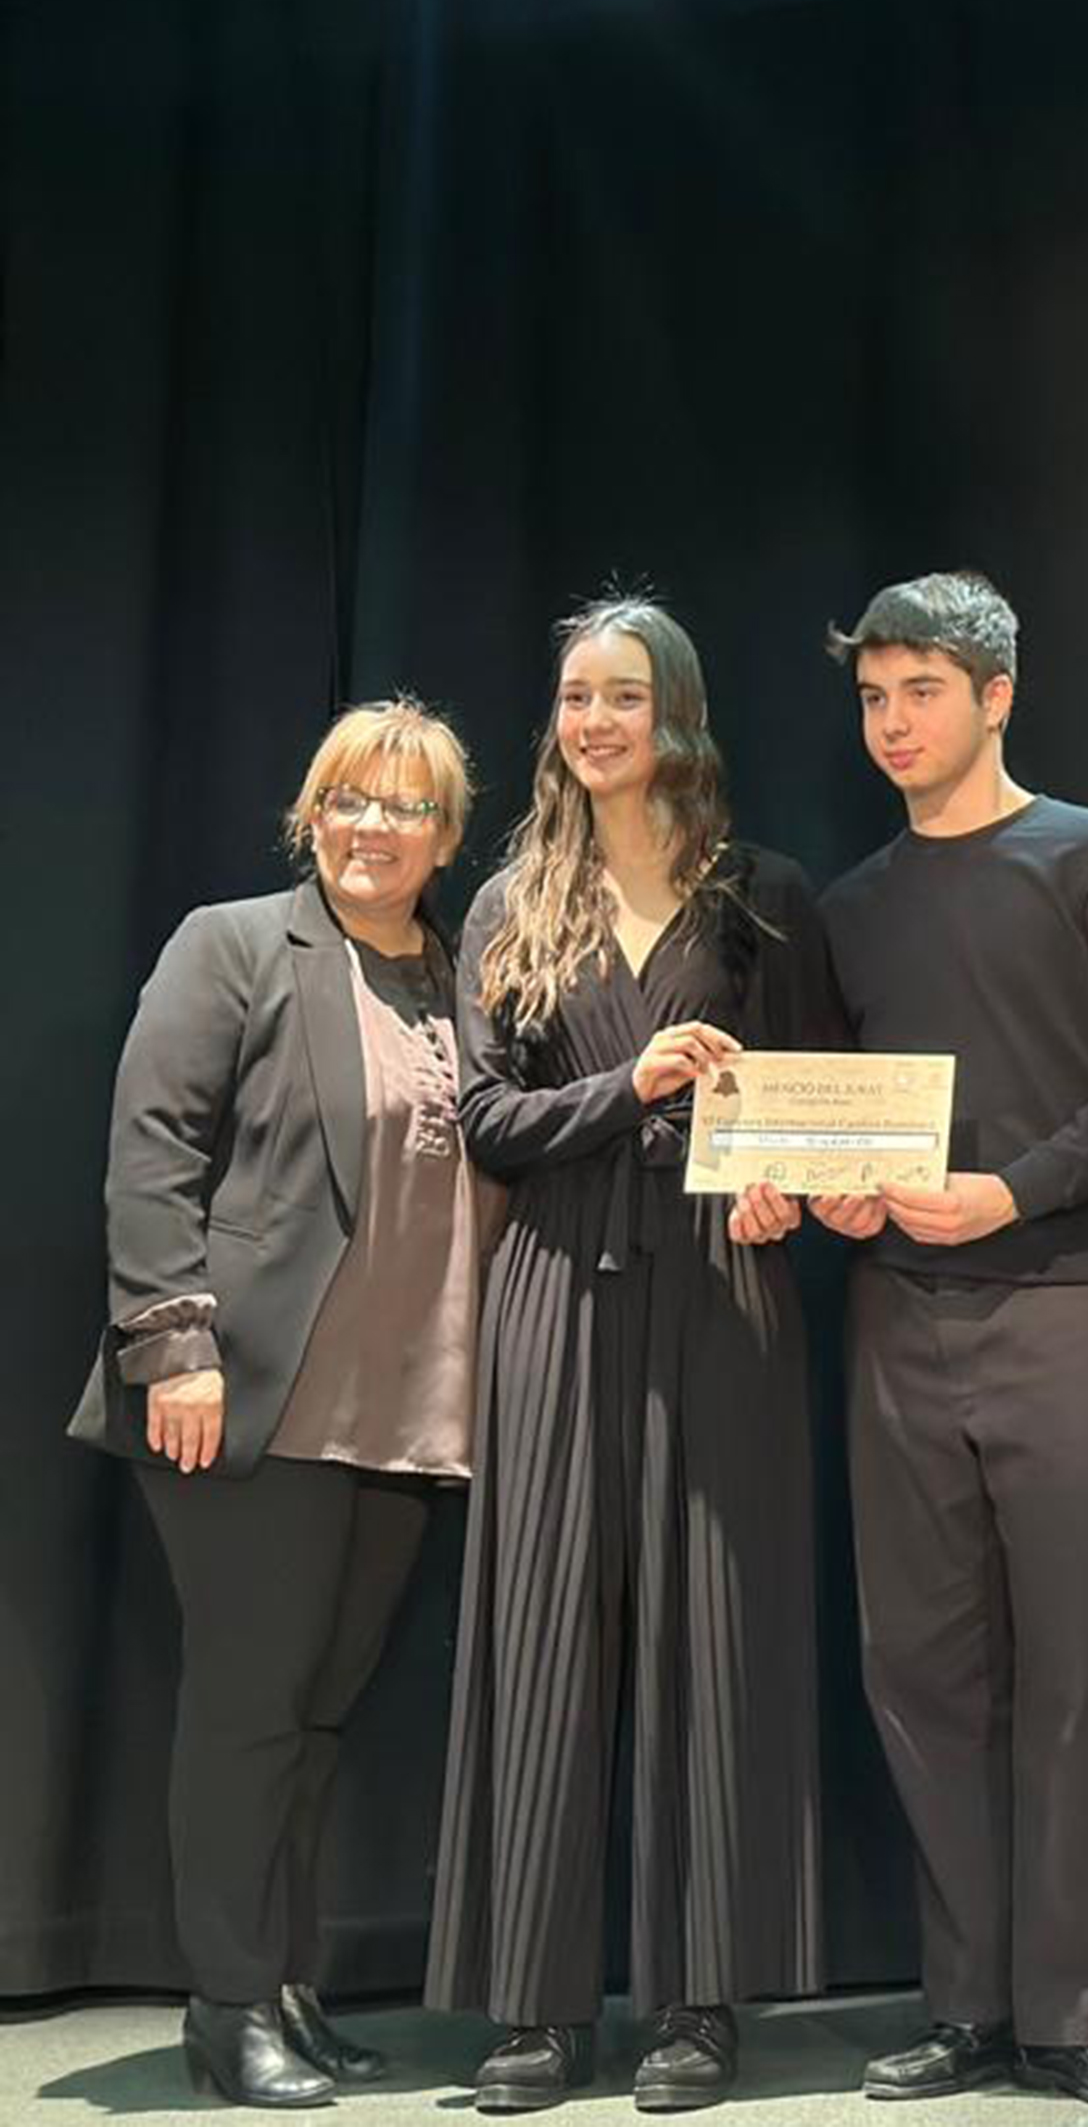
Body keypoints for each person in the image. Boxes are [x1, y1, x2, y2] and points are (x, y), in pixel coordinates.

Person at [424, 598, 835, 2116]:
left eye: (625, 695)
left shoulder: (762, 898)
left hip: (723, 1283)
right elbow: (486, 1120)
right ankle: (536, 2009)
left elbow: (814, 1094)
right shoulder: (512, 902)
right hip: (558, 1285)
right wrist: (632, 1084)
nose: (595, 720)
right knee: (543, 1631)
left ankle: (696, 2005)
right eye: (576, 696)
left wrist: (786, 1178)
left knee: (714, 1635)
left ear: (679, 714)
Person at [807, 573, 1088, 2108]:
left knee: (1072, 1670)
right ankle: (966, 2004)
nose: (893, 722)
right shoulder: (852, 906)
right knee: (922, 1668)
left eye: (921, 691)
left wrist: (1012, 1190)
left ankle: (1079, 2012)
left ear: (997, 695)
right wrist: (837, 1189)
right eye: (872, 697)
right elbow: (831, 1108)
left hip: (1073, 1303)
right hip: (900, 1313)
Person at [74, 701, 496, 2109]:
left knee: (319, 1719)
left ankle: (287, 1983)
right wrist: (172, 1344)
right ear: (310, 813)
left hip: (414, 1413)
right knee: (251, 1711)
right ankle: (227, 2002)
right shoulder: (236, 944)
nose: (373, 826)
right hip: (250, 1400)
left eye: (406, 806)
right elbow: (153, 1145)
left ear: (447, 835)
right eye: (348, 799)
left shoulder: (468, 981)